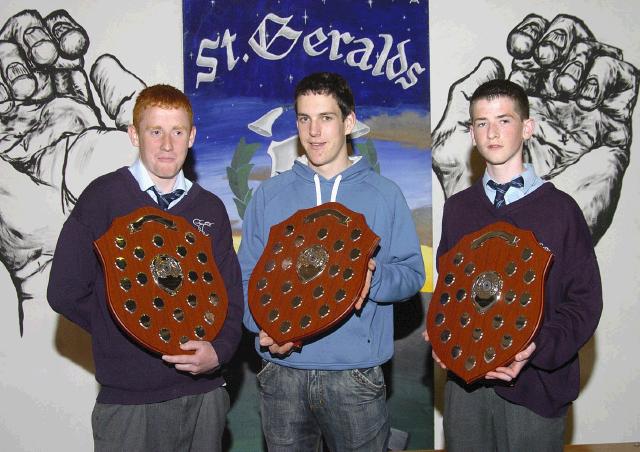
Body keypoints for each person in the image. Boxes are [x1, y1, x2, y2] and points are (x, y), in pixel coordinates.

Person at [47, 84, 244, 452]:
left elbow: (231, 298)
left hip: (204, 396)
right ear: (134, 135)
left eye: (177, 132)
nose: (167, 144)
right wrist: (129, 325)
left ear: (192, 137)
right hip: (130, 402)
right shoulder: (103, 198)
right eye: (156, 131)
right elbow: (64, 290)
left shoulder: (210, 209)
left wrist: (220, 351)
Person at [238, 72, 424, 451]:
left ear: (349, 121)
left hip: (355, 377)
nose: (314, 131)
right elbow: (246, 278)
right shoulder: (269, 195)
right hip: (282, 375)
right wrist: (263, 326)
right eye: (304, 119)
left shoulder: (385, 195)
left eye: (326, 118)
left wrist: (370, 279)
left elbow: (411, 273)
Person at [425, 79, 603, 451]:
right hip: (467, 388)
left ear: (527, 127)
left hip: (535, 388)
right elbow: (452, 292)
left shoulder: (561, 211)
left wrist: (535, 347)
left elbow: (584, 303)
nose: (492, 132)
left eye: (504, 121)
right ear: (471, 133)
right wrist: (442, 331)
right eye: (481, 122)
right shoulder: (458, 210)